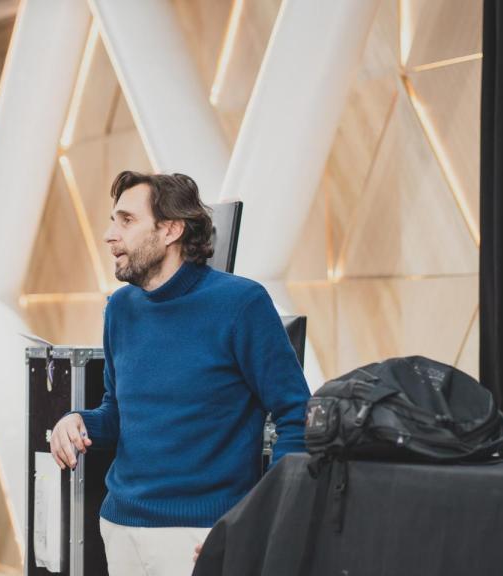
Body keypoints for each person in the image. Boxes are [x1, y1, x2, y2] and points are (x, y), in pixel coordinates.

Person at [49, 171, 310, 576]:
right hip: (120, 529)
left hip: (203, 536)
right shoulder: (120, 308)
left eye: (126, 220)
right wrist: (78, 420)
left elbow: (298, 417)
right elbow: (117, 415)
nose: (109, 235)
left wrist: (260, 519)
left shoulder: (242, 303)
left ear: (170, 229)